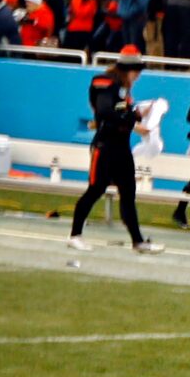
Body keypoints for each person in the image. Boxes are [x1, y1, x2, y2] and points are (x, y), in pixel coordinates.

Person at [68, 53, 162, 254]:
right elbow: (104, 111)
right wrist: (132, 120)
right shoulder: (107, 83)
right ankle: (75, 235)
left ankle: (138, 241)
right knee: (95, 189)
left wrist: (136, 115)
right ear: (129, 71)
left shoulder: (122, 90)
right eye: (136, 72)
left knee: (128, 194)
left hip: (121, 147)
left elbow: (119, 113)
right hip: (105, 146)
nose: (137, 77)